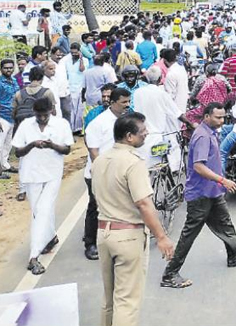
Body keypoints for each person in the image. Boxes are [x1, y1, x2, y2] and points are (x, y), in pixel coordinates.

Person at [92, 112, 175, 326]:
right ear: (129, 136)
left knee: (109, 298)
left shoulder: (100, 160)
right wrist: (162, 236)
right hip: (128, 236)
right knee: (127, 301)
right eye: (142, 131)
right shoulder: (134, 162)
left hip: (103, 233)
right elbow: (144, 203)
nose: (146, 133)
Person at [161, 103, 236, 288]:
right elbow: (198, 166)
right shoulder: (203, 136)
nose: (221, 121)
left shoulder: (211, 132)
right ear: (206, 117)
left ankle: (234, 255)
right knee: (190, 234)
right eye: (217, 117)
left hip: (213, 192)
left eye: (222, 117)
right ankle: (170, 274)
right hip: (200, 194)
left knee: (225, 223)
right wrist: (223, 180)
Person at [12, 97, 74, 275]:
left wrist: (52, 145)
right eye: (39, 116)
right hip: (31, 175)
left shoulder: (61, 124)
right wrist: (32, 144)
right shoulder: (26, 125)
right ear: (34, 112)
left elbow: (67, 149)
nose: (42, 119)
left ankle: (33, 257)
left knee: (44, 210)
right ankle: (51, 236)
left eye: (45, 115)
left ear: (51, 111)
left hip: (52, 174)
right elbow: (18, 151)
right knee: (38, 212)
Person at [83, 88, 131, 261]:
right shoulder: (99, 123)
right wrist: (103, 172)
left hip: (119, 172)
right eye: (124, 102)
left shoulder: (126, 120)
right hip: (98, 173)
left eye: (128, 101)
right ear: (113, 102)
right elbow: (93, 151)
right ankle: (90, 243)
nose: (127, 105)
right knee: (96, 207)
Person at [135, 66, 194, 173]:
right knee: (170, 156)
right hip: (158, 138)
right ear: (160, 78)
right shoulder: (162, 94)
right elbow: (178, 113)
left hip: (142, 139)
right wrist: (190, 124)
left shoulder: (137, 93)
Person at [0, 59, 20, 178]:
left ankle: (5, 165)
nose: (9, 70)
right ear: (1, 69)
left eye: (10, 68)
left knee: (8, 144)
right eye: (6, 68)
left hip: (12, 116)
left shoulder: (14, 81)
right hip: (2, 117)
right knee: (0, 144)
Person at [63, 43, 87, 133]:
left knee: (79, 109)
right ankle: (71, 128)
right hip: (69, 87)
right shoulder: (67, 60)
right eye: (72, 53)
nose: (73, 55)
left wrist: (81, 59)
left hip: (79, 88)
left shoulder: (85, 60)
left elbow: (82, 69)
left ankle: (78, 128)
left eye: (75, 53)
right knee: (70, 109)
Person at [163, 48, 189, 112]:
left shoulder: (171, 74)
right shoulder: (181, 68)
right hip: (182, 105)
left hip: (174, 110)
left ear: (165, 60)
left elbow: (170, 96)